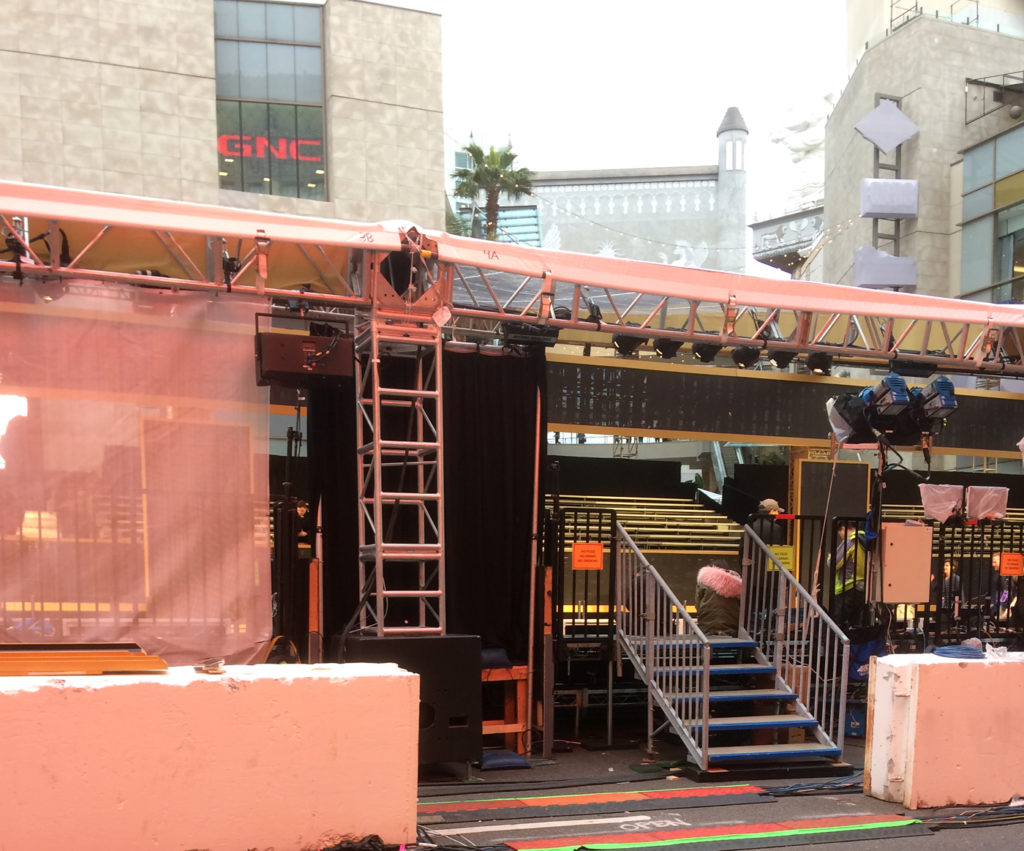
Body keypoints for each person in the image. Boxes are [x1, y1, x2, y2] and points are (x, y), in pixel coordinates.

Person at [695, 564, 742, 636]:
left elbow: (698, 603)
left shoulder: (704, 580)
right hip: (731, 627)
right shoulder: (738, 584)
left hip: (707, 626)